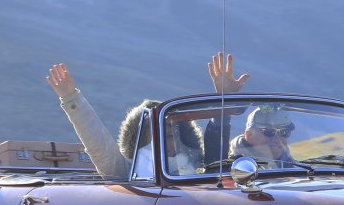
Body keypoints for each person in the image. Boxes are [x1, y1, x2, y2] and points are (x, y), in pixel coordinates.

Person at [46, 53, 248, 179]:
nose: (164, 139)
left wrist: (225, 99)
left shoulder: (203, 168)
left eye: (169, 133)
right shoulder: (127, 172)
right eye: (155, 134)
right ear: (139, 140)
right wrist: (71, 99)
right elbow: (99, 145)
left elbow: (216, 136)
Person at [229, 104, 295, 166]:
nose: (277, 139)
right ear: (249, 135)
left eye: (284, 132)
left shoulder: (296, 167)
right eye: (269, 132)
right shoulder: (234, 168)